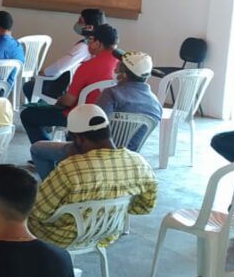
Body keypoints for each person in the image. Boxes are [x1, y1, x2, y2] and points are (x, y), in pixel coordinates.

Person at [28, 104, 157, 248]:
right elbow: (144, 208)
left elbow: (38, 212)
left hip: (60, 238)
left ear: (79, 139)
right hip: (106, 234)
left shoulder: (70, 169)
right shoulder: (140, 163)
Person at [30, 52, 161, 179]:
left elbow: (91, 124)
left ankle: (53, 186)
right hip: (128, 158)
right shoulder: (156, 104)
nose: (115, 70)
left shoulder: (112, 94)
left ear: (124, 75)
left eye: (119, 66)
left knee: (38, 148)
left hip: (91, 153)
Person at [19, 23, 120, 143]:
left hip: (80, 117)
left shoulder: (87, 67)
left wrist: (59, 101)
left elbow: (69, 100)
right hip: (111, 118)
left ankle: (46, 152)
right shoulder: (123, 67)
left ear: (98, 44)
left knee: (27, 115)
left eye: (90, 40)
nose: (88, 43)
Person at [24, 8, 100, 100]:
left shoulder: (84, 47)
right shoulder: (97, 45)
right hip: (79, 86)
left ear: (90, 27)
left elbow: (59, 67)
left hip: (67, 89)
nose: (77, 24)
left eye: (81, 21)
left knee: (29, 86)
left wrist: (43, 72)